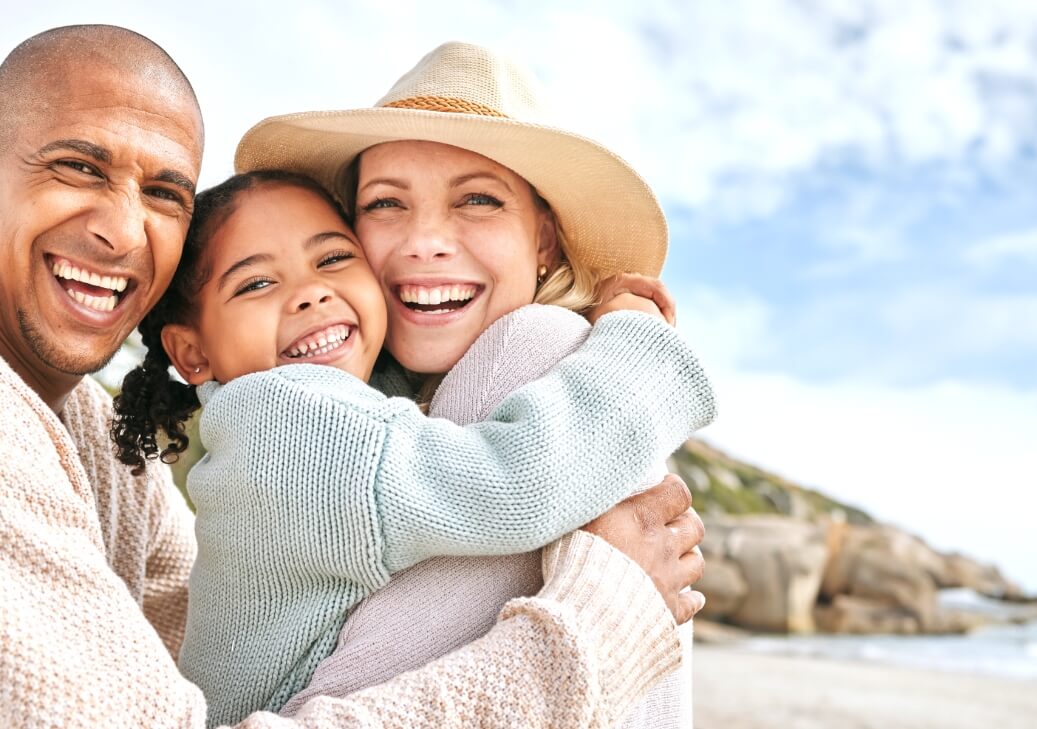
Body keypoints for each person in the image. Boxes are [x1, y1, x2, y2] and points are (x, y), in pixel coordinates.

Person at [0, 24, 706, 728]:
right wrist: (597, 629)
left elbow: (180, 635)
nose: (120, 231)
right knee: (542, 348)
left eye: (167, 193)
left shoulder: (95, 436)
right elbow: (513, 481)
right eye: (78, 167)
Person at [111, 166, 714, 725]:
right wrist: (633, 341)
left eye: (334, 258)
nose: (310, 294)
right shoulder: (276, 421)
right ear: (192, 353)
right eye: (258, 283)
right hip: (298, 707)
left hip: (334, 678)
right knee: (549, 348)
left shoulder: (355, 397)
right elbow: (517, 484)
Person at [242, 42, 697, 729]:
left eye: (478, 199)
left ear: (544, 240)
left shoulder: (539, 351)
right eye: (386, 203)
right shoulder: (343, 402)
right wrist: (637, 345)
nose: (425, 239)